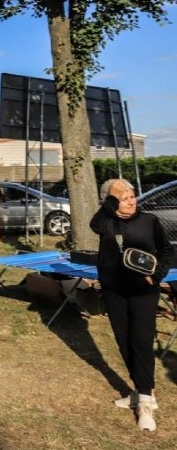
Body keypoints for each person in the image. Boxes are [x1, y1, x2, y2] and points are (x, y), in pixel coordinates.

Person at [90, 178, 175, 432]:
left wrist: (156, 276)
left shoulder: (149, 221)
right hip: (114, 291)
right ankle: (140, 389)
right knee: (124, 342)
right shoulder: (106, 222)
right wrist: (112, 198)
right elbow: (95, 223)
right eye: (124, 197)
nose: (132, 200)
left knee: (141, 342)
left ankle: (146, 402)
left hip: (143, 292)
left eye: (132, 195)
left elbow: (168, 251)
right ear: (112, 202)